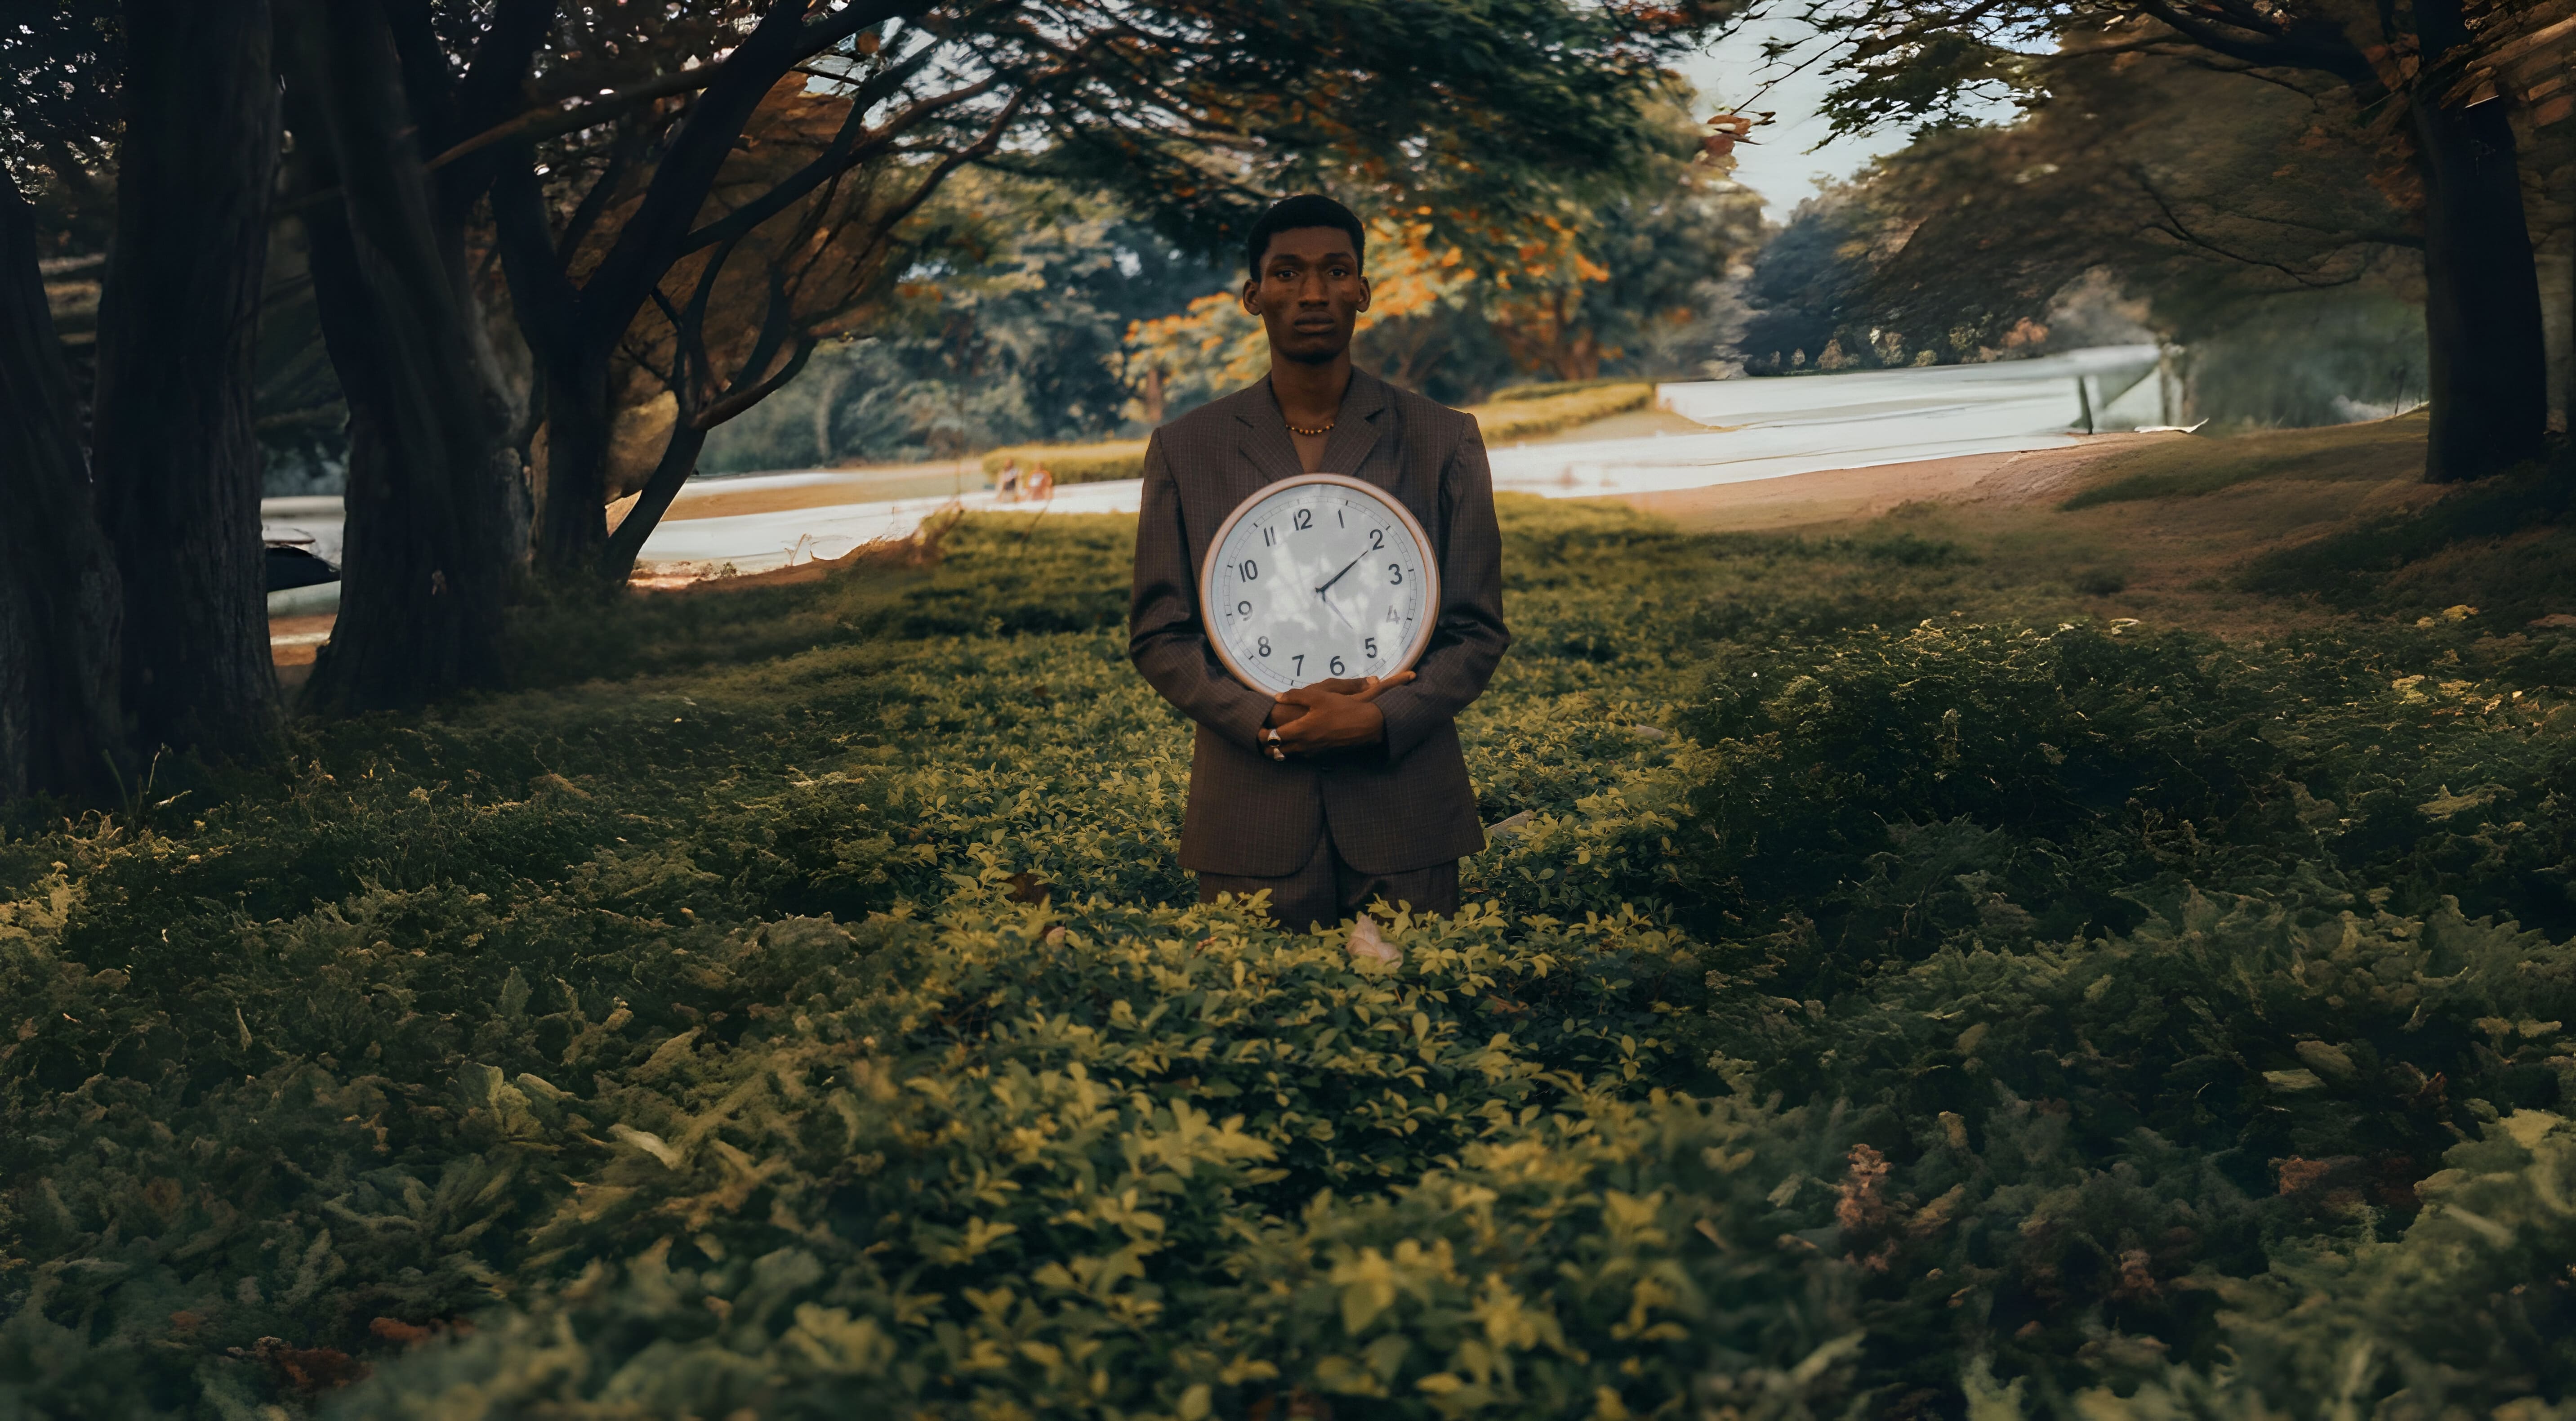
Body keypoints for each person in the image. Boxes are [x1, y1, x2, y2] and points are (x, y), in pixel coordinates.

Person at [1128, 193, 1509, 930]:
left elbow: (1475, 632)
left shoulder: (1443, 439)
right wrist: (1266, 714)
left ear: (1362, 291)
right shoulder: (1186, 448)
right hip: (1249, 816)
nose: (1312, 293)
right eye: (1287, 273)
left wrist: (1380, 719)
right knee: (1259, 1034)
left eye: (1336, 271)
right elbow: (1159, 635)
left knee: (1418, 1026)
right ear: (1253, 295)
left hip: (1406, 813)